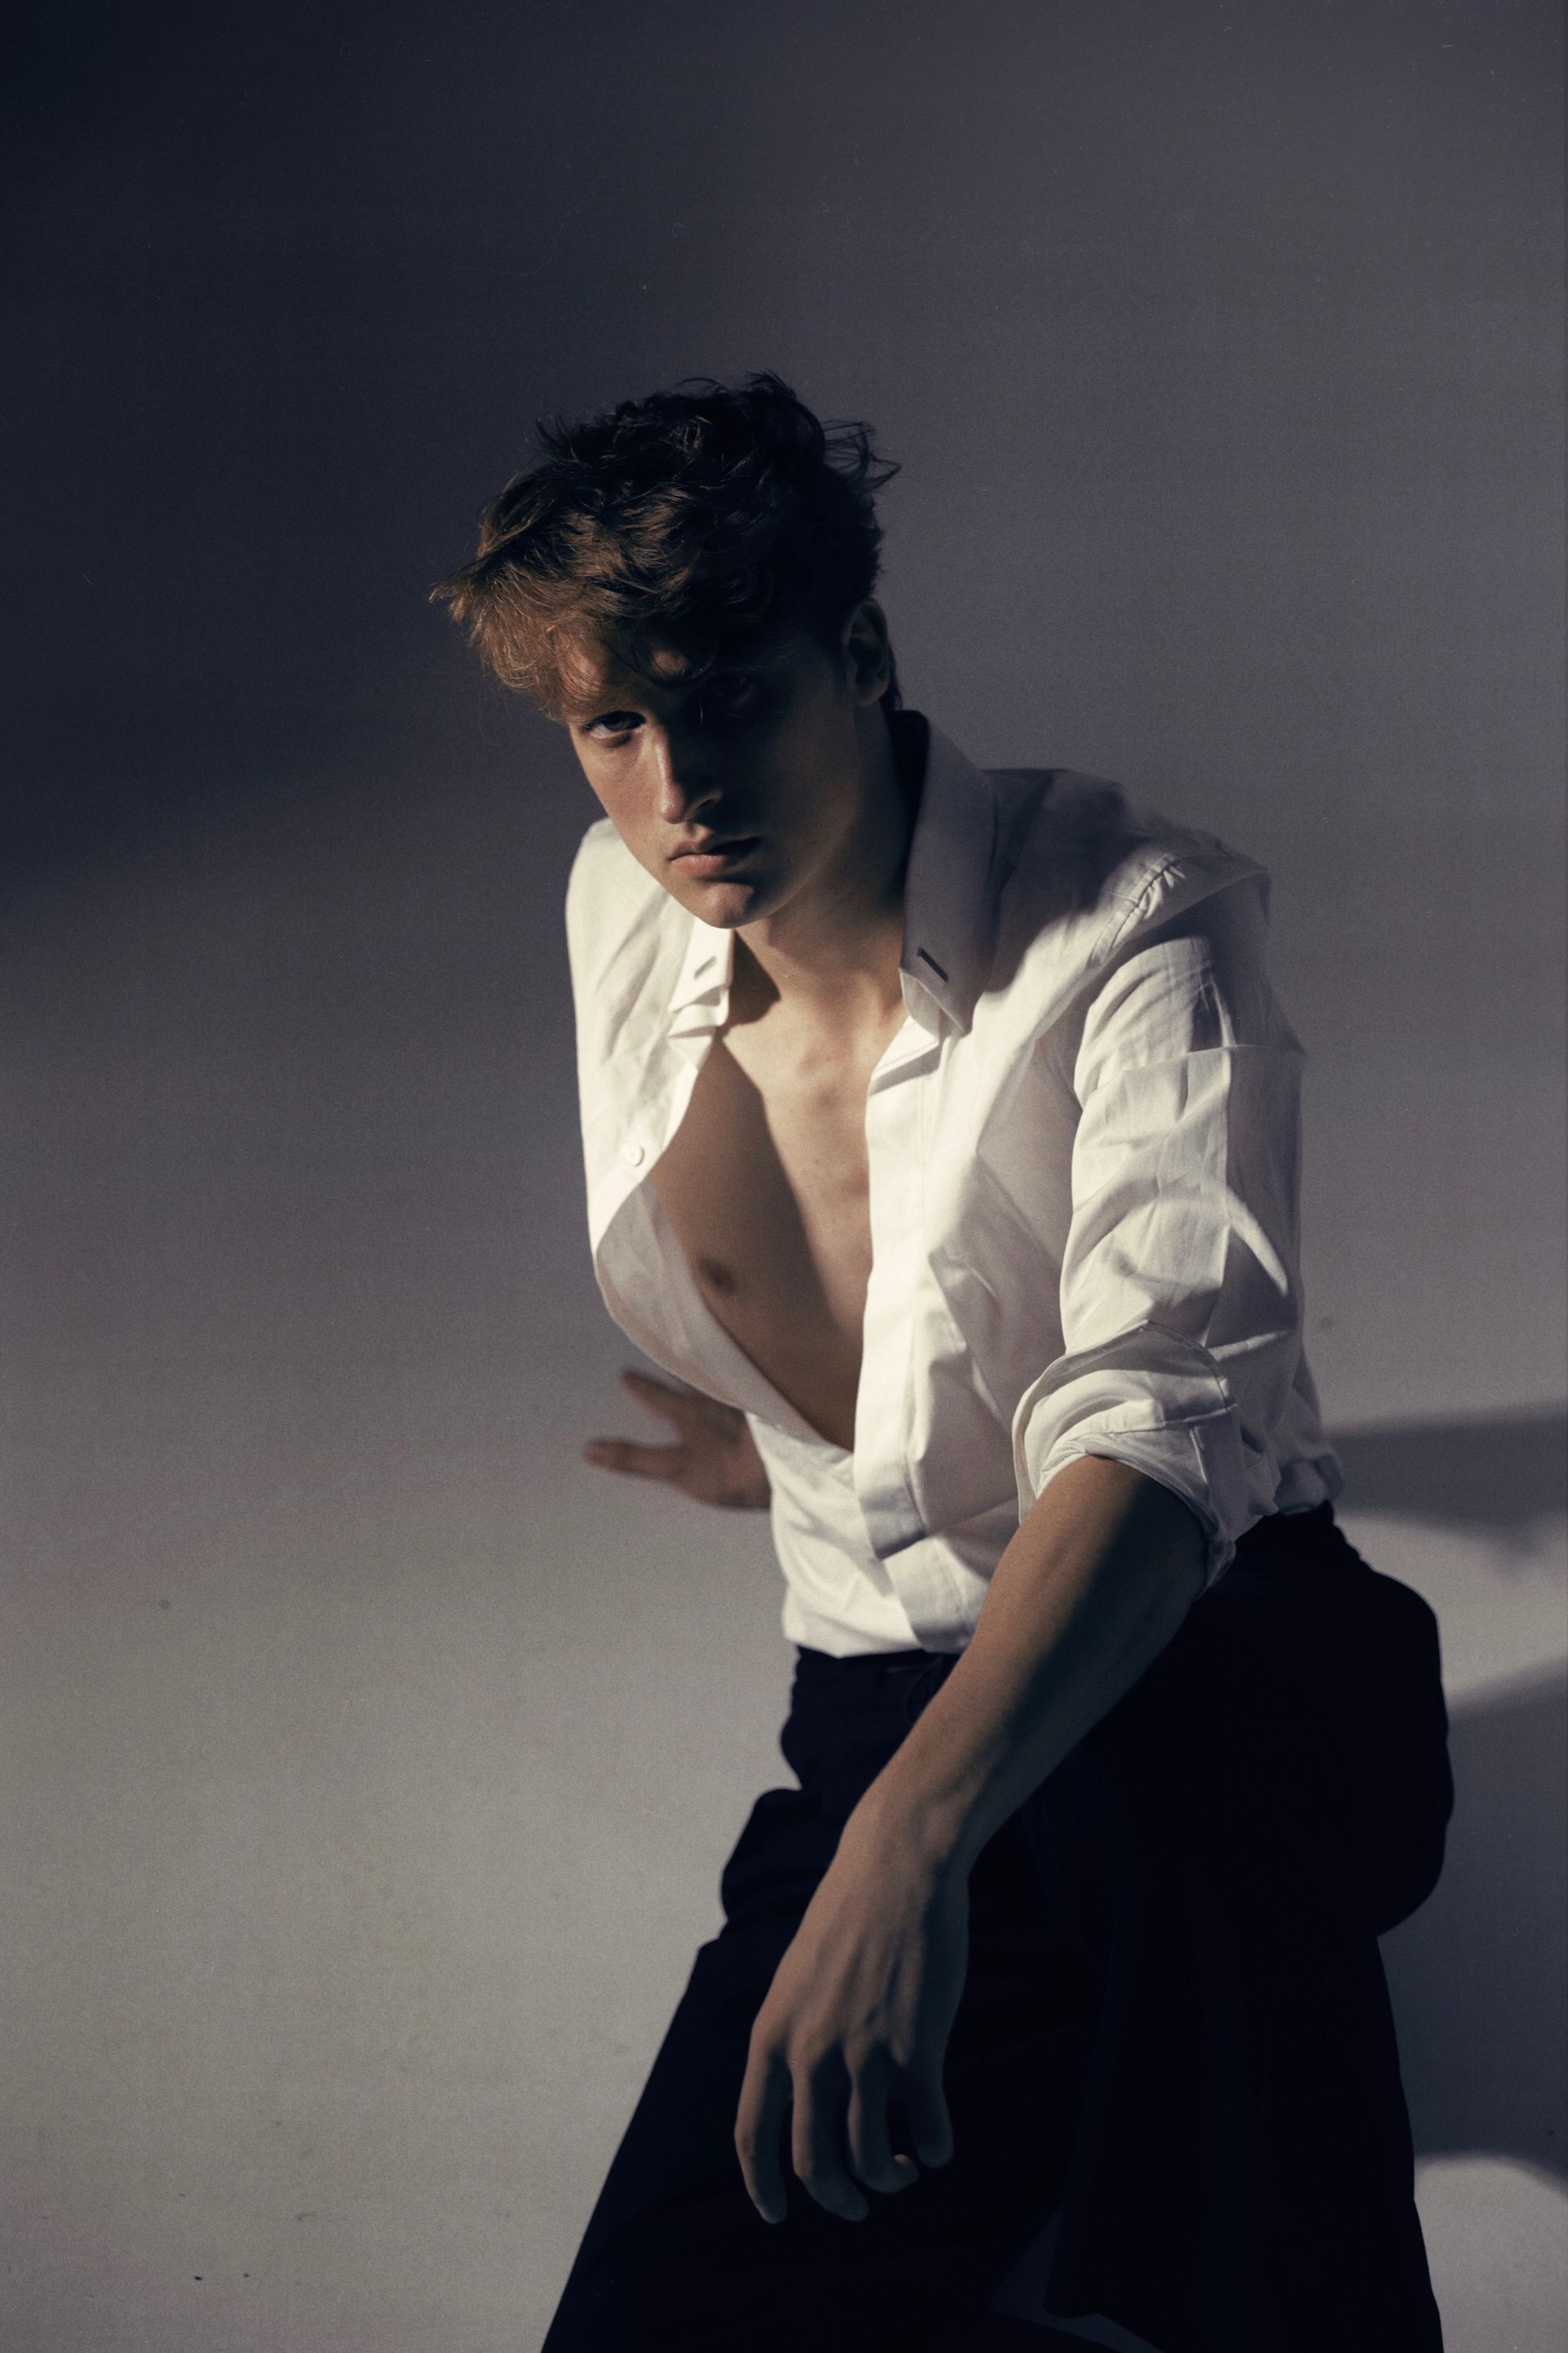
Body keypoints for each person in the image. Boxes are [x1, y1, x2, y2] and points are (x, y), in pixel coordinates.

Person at [434, 376, 1454, 2352]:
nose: (675, 783)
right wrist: (801, 1433)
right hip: (878, 1702)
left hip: (1225, 1665)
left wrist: (904, 1839)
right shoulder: (616, 911)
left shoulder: (1146, 929)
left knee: (1241, 2161)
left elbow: (1160, 1435)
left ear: (862, 651)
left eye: (728, 686)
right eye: (612, 725)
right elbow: (897, 1336)